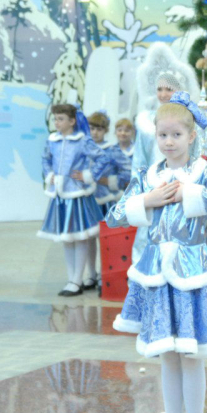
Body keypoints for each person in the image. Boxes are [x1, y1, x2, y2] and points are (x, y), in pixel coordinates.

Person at [107, 92, 207, 413]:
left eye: (176, 135)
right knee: (166, 355)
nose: (169, 142)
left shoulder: (204, 171)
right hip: (156, 274)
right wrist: (147, 200)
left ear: (191, 135)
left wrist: (190, 193)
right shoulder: (147, 176)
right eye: (163, 135)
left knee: (192, 354)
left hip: (192, 272)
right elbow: (115, 215)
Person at [131, 43, 197, 265]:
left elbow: (198, 156)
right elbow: (139, 160)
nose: (163, 94)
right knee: (150, 239)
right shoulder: (145, 122)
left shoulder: (190, 120)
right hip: (153, 189)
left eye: (169, 89)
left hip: (182, 189)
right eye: (159, 89)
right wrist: (141, 191)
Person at [37, 104, 108, 297]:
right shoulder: (52, 140)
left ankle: (77, 279)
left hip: (77, 195)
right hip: (60, 195)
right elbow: (45, 159)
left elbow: (102, 157)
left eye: (61, 119)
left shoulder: (82, 141)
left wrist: (87, 175)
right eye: (55, 119)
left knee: (80, 237)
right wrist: (49, 175)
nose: (57, 123)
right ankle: (72, 279)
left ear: (72, 121)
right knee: (66, 239)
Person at [86, 110, 130, 290]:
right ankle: (91, 274)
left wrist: (109, 181)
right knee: (87, 239)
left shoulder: (112, 150)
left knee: (105, 240)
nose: (95, 132)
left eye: (99, 129)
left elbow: (128, 172)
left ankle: (104, 275)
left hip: (106, 201)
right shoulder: (84, 148)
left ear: (105, 130)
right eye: (92, 128)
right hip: (86, 201)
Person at [115, 117, 136, 186]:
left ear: (132, 132)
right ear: (115, 132)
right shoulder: (112, 150)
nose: (123, 133)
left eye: (127, 131)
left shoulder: (137, 150)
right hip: (117, 187)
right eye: (119, 130)